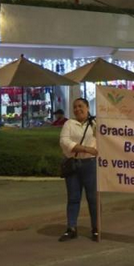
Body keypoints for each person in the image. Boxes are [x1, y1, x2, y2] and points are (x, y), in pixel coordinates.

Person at [58, 98, 99, 242]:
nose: (77, 109)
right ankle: (71, 228)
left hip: (90, 164)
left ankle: (96, 228)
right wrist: (86, 148)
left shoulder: (95, 124)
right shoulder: (69, 124)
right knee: (73, 198)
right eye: (75, 107)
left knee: (93, 198)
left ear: (87, 108)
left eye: (80, 106)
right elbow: (64, 142)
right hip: (73, 165)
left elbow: (103, 141)